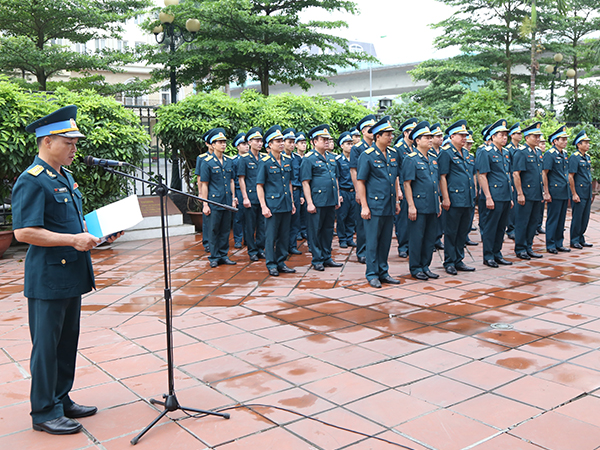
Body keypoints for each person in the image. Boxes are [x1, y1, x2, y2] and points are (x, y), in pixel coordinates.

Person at [12, 105, 122, 435]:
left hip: (71, 272)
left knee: (66, 342)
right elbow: (24, 232)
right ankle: (44, 411)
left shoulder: (65, 177)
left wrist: (98, 232)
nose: (75, 149)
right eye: (69, 143)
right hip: (48, 276)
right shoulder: (32, 181)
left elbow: (71, 223)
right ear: (47, 141)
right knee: (46, 346)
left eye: (76, 143)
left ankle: (61, 398)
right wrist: (74, 239)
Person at [356, 116, 401, 288]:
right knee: (373, 241)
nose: (391, 137)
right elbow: (361, 181)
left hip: (389, 204)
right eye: (387, 134)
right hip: (374, 206)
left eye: (391, 134)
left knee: (385, 241)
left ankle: (383, 271)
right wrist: (364, 206)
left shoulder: (392, 154)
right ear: (377, 136)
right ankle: (372, 273)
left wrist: (397, 200)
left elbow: (395, 178)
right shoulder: (367, 156)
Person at [301, 124, 343, 271]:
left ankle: (327, 257)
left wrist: (337, 197)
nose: (326, 141)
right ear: (314, 142)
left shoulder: (332, 158)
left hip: (330, 200)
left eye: (328, 139)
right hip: (317, 201)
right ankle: (317, 259)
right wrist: (309, 203)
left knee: (328, 229)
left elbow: (335, 179)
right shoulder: (309, 159)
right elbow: (305, 182)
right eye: (323, 139)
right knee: (315, 230)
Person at [403, 121, 441, 280]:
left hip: (432, 204)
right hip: (418, 205)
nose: (430, 140)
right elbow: (407, 183)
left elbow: (435, 182)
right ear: (417, 140)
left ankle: (426, 266)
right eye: (427, 137)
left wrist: (438, 201)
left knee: (430, 237)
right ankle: (416, 267)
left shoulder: (433, 157)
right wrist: (411, 205)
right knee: (417, 238)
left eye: (431, 137)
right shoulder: (411, 159)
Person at [438, 120, 476, 275]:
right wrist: (445, 198)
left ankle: (459, 259)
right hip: (454, 199)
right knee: (451, 231)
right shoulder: (446, 153)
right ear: (452, 136)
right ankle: (449, 261)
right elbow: (442, 177)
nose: (464, 138)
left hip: (467, 198)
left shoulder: (466, 154)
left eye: (465, 135)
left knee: (463, 231)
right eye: (461, 135)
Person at [257, 125, 296, 276]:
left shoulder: (287, 160)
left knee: (284, 235)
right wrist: (263, 206)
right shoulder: (265, 162)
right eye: (277, 141)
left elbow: (289, 183)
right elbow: (260, 185)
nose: (281, 143)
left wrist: (292, 202)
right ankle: (271, 264)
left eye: (282, 140)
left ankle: (281, 262)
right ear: (270, 145)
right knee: (271, 236)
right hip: (272, 205)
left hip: (285, 203)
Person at [476, 119, 513, 268]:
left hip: (504, 195)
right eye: (501, 135)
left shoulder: (506, 152)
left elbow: (507, 175)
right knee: (491, 227)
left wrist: (510, 197)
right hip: (493, 195)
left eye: (506, 135)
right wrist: (488, 197)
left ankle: (497, 253)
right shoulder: (486, 152)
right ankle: (488, 255)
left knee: (501, 227)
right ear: (492, 137)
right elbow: (482, 175)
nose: (505, 137)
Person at [200, 128, 238, 267]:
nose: (223, 145)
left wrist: (233, 198)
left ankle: (224, 254)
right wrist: (205, 204)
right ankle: (214, 256)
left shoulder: (229, 161)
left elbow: (232, 181)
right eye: (220, 142)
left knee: (225, 229)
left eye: (224, 142)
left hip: (227, 200)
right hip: (214, 201)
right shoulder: (207, 162)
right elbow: (204, 184)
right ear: (213, 144)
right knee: (214, 229)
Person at [512, 122, 544, 260]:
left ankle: (529, 247)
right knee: (522, 221)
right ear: (526, 138)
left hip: (536, 193)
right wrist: (519, 193)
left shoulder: (537, 152)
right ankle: (520, 248)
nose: (538, 139)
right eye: (535, 136)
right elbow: (516, 174)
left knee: (533, 221)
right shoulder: (521, 152)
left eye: (539, 136)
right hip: (525, 193)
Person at [349, 115, 376, 264]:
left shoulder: (376, 147)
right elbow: (354, 171)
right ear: (363, 132)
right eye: (369, 130)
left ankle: (372, 250)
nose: (373, 133)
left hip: (374, 190)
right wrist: (358, 191)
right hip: (362, 188)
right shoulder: (357, 148)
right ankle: (362, 251)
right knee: (362, 222)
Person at [238, 127, 266, 261]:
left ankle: (260, 248)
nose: (259, 143)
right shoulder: (243, 159)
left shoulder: (264, 158)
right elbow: (241, 179)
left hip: (263, 197)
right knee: (250, 225)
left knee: (262, 224)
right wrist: (244, 197)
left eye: (261, 141)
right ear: (249, 142)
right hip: (250, 196)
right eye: (256, 141)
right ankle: (252, 250)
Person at [543, 126, 571, 254]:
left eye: (566, 139)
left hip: (563, 190)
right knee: (553, 218)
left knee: (561, 218)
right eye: (562, 139)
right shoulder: (550, 154)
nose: (565, 141)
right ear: (554, 141)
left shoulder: (564, 154)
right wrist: (546, 192)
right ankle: (551, 244)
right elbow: (544, 173)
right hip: (554, 191)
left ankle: (559, 242)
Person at [394, 118, 418, 258]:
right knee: (403, 220)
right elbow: (396, 172)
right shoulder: (398, 148)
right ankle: (403, 246)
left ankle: (411, 245)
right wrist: (398, 190)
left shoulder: (414, 148)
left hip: (414, 187)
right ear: (405, 133)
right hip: (403, 186)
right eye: (411, 132)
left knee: (413, 218)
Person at [569, 130, 594, 249]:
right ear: (579, 144)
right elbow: (571, 176)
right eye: (585, 143)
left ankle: (581, 237)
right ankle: (574, 239)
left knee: (585, 217)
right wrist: (574, 193)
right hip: (579, 192)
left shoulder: (587, 157)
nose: (588, 145)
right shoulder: (574, 157)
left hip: (587, 192)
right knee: (578, 216)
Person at [336, 131, 357, 248]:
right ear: (341, 145)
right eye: (347, 144)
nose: (350, 146)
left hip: (353, 191)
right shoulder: (338, 160)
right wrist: (338, 194)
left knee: (352, 217)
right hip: (343, 191)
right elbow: (337, 179)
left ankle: (350, 238)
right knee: (342, 217)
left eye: (351, 143)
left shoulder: (355, 159)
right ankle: (342, 239)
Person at [195, 130, 215, 252]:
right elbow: (199, 177)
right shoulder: (202, 158)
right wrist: (201, 193)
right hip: (207, 190)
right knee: (207, 217)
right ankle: (207, 242)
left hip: (218, 191)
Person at [504, 123, 523, 240]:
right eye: (517, 133)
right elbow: (508, 167)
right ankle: (511, 228)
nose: (520, 135)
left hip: (519, 180)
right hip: (512, 179)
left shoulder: (520, 149)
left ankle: (517, 227)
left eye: (521, 133)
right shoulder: (508, 149)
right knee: (512, 206)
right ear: (512, 135)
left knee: (518, 205)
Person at [232, 132, 248, 248]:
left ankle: (248, 239)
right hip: (238, 190)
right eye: (243, 144)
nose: (246, 146)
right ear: (238, 146)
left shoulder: (252, 159)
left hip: (250, 190)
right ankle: (238, 239)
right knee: (238, 217)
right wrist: (234, 196)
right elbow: (232, 179)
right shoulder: (234, 161)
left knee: (250, 217)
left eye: (247, 144)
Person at [293, 132, 308, 242]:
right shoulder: (292, 158)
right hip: (293, 189)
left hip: (302, 189)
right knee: (295, 214)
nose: (304, 145)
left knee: (304, 213)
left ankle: (303, 230)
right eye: (301, 143)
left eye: (305, 143)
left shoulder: (303, 158)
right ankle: (297, 232)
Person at [464, 131, 479, 246]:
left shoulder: (471, 156)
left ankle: (466, 236)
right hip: (460, 192)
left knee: (469, 215)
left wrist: (475, 188)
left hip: (470, 190)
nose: (469, 145)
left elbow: (473, 174)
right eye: (467, 143)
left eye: (470, 144)